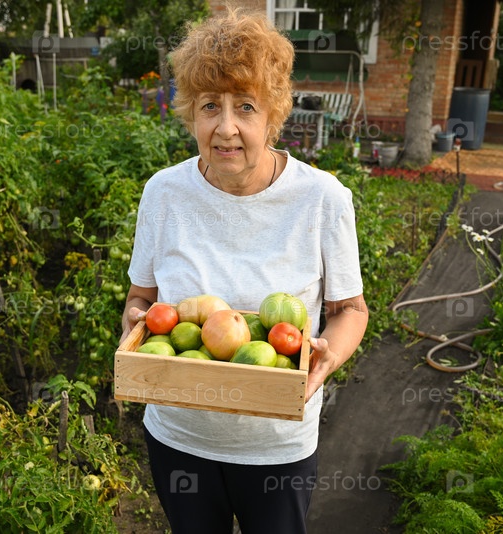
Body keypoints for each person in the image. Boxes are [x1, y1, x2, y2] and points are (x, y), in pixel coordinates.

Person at [121, 7, 368, 533]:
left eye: (246, 107)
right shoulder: (164, 193)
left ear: (272, 116)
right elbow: (140, 297)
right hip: (179, 438)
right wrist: (136, 325)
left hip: (276, 446)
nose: (226, 127)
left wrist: (328, 356)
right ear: (191, 113)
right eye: (210, 105)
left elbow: (350, 309)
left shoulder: (322, 199)